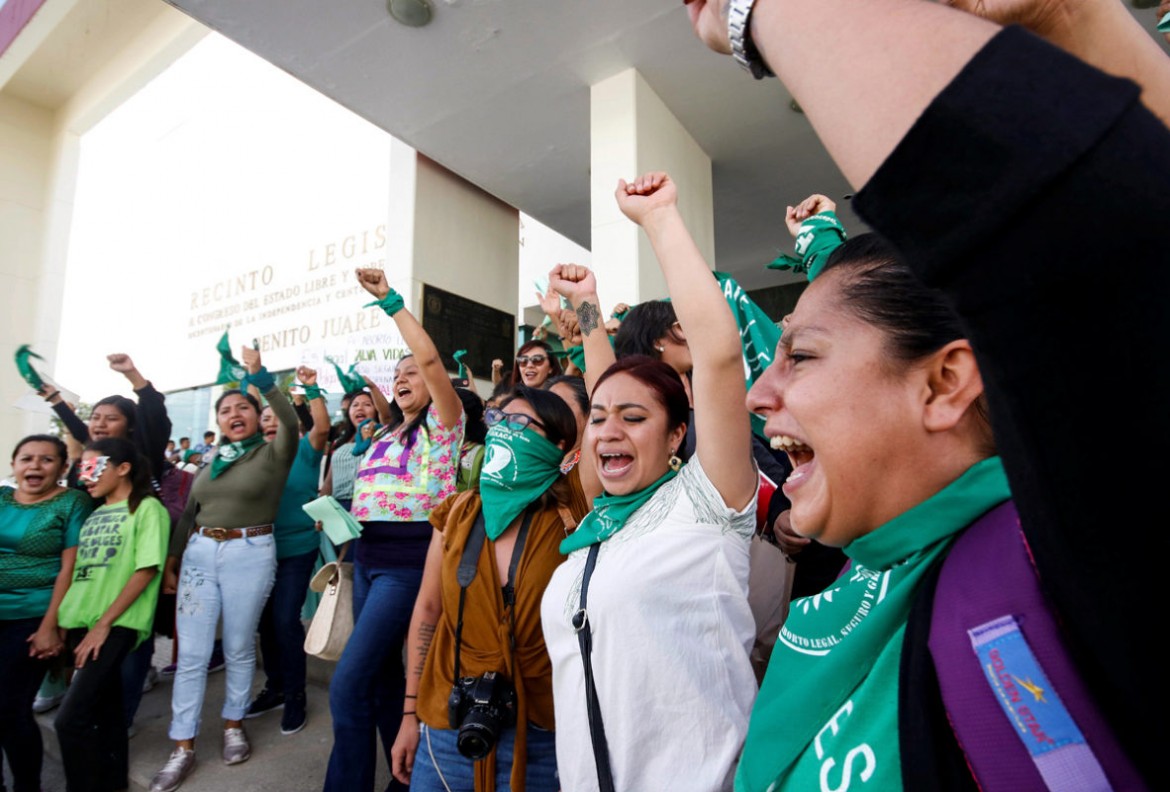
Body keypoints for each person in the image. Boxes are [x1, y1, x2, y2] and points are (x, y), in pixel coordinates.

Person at [684, 0, 1170, 787]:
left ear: (944, 382)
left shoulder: (1078, 559)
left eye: (800, 356)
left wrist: (762, 10)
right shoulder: (852, 593)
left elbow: (1101, 241)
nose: (757, 397)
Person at [541, 171, 759, 792]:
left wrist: (659, 218)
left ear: (675, 439)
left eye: (635, 420)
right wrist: (587, 307)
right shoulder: (594, 526)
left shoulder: (704, 504)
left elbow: (718, 357)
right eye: (600, 420)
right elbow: (608, 388)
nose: (610, 430)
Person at [390, 386, 588, 791]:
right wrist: (410, 716)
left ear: (561, 445)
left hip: (543, 732)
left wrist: (587, 320)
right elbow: (428, 612)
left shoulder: (576, 515)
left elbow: (605, 400)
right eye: (497, 420)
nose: (502, 431)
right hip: (449, 724)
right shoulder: (458, 512)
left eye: (520, 423)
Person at [325, 267, 466, 792]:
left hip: (409, 566)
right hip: (366, 558)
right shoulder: (384, 435)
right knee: (382, 680)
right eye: (398, 375)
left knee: (346, 685)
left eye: (415, 373)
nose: (406, 377)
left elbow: (429, 359)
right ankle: (402, 781)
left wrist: (390, 302)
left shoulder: (445, 427)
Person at [150, 344, 297, 792]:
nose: (234, 414)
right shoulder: (211, 465)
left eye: (242, 408)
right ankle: (183, 747)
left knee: (236, 645)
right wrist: (174, 562)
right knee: (192, 655)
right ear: (217, 423)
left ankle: (233, 724)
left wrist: (262, 377)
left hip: (249, 553)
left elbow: (289, 420)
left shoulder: (274, 454)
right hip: (198, 556)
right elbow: (191, 514)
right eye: (225, 410)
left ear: (256, 416)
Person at [55, 438, 168, 792]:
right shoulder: (95, 513)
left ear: (123, 468)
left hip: (115, 624)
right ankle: (114, 783)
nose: (85, 476)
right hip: (79, 621)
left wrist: (103, 624)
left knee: (69, 720)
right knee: (108, 713)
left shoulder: (148, 509)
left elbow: (146, 569)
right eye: (81, 469)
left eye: (93, 466)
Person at [0, 435, 93, 792]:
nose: (34, 466)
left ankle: (27, 787)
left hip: (32, 616)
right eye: (26, 458)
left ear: (62, 467)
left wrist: (50, 626)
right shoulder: (2, 499)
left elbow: (69, 568)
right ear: (14, 464)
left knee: (10, 708)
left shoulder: (72, 502)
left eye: (45, 459)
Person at [245, 366, 330, 735]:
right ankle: (276, 686)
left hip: (297, 550)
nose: (268, 421)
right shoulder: (253, 459)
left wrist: (311, 390)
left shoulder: (306, 451)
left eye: (274, 415)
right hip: (258, 552)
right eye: (262, 417)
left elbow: (323, 428)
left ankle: (296, 695)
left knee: (284, 620)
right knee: (265, 624)